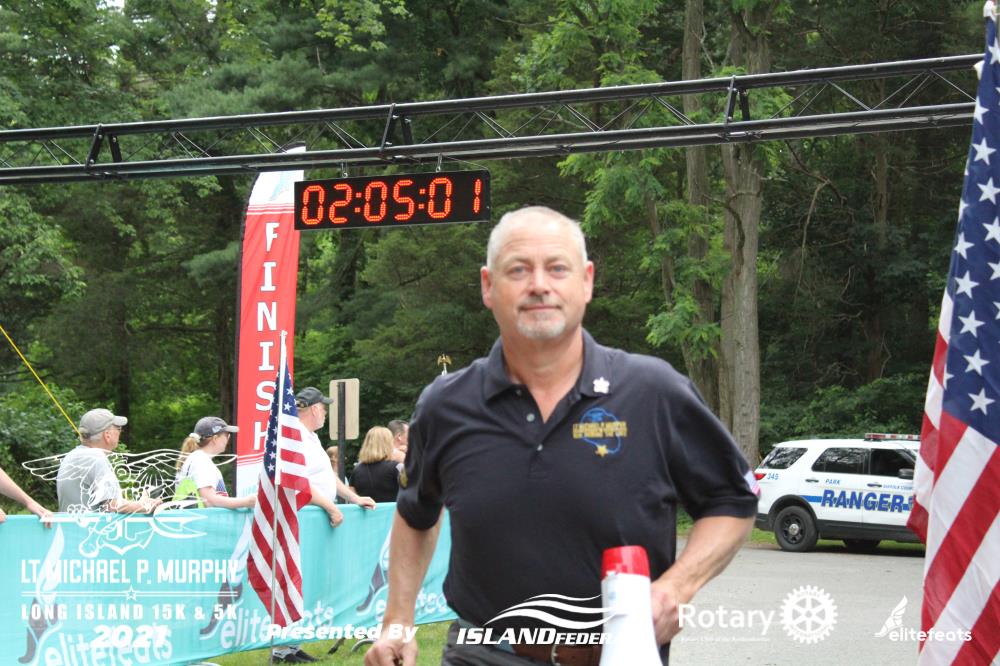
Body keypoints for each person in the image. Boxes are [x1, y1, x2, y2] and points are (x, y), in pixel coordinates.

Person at [365, 206, 758, 666]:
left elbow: (732, 500)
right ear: (488, 286)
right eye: (518, 270)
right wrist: (397, 624)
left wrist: (677, 586)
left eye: (557, 268)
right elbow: (416, 515)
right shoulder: (445, 406)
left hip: (616, 655)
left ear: (586, 281)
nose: (539, 285)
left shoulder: (653, 391)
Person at [272, 386, 377, 665]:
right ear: (315, 409)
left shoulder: (310, 437)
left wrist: (353, 497)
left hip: (313, 517)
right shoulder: (296, 437)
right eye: (324, 408)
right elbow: (298, 483)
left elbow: (327, 477)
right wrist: (330, 507)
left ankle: (292, 645)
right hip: (304, 516)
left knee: (311, 582)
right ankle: (281, 648)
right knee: (298, 581)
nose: (326, 413)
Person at [56, 408, 162, 513]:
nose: (120, 433)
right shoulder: (95, 457)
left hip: (72, 524)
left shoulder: (71, 456)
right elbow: (112, 505)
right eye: (118, 429)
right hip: (90, 525)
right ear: (107, 435)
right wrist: (144, 505)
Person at [174, 417, 255, 509]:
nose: (228, 438)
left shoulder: (195, 458)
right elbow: (209, 501)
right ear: (215, 438)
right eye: (226, 435)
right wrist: (246, 502)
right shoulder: (201, 460)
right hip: (203, 519)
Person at [350, 426, 401, 503]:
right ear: (388, 443)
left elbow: (352, 495)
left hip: (367, 510)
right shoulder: (397, 467)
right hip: (392, 510)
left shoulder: (357, 469)